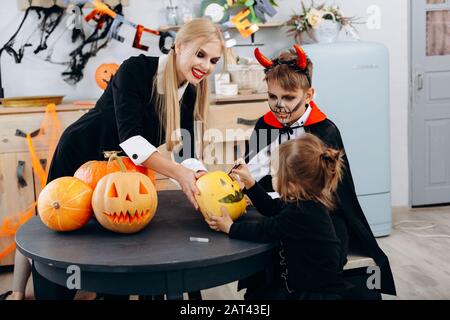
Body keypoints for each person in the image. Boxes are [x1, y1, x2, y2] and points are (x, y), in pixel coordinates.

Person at [27, 18, 226, 300]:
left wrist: (201, 179)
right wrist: (178, 174)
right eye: (200, 54)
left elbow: (187, 154)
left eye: (214, 60)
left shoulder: (190, 93)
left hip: (124, 173)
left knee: (116, 252)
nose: (206, 65)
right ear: (179, 46)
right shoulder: (136, 70)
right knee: (60, 240)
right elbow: (132, 141)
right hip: (81, 154)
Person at [239, 44, 396, 297]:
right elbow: (251, 168)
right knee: (260, 243)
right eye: (272, 97)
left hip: (323, 212)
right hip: (278, 204)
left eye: (288, 98)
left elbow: (336, 193)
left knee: (314, 248)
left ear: (308, 95)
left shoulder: (325, 130)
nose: (279, 105)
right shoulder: (264, 125)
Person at [207, 134, 349, 299]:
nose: (272, 178)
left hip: (313, 292)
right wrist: (250, 184)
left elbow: (264, 231)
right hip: (306, 281)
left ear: (292, 183)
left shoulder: (300, 213)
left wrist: (230, 227)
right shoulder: (306, 202)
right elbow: (272, 208)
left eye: (274, 175)